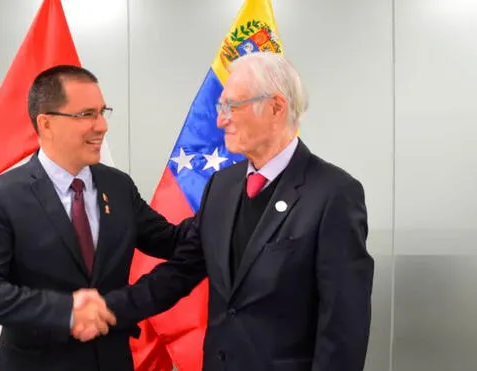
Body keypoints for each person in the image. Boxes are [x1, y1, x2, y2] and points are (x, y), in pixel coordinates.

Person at [96, 52, 374, 371]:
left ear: (275, 107)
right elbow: (181, 270)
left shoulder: (333, 193)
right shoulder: (222, 186)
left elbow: (344, 325)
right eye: (220, 106)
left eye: (231, 106)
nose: (220, 120)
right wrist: (107, 310)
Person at [0, 65, 192, 371]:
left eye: (103, 112)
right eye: (87, 115)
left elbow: (172, 242)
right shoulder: (3, 197)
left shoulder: (117, 186)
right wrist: (66, 311)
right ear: (46, 123)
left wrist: (226, 204)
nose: (102, 125)